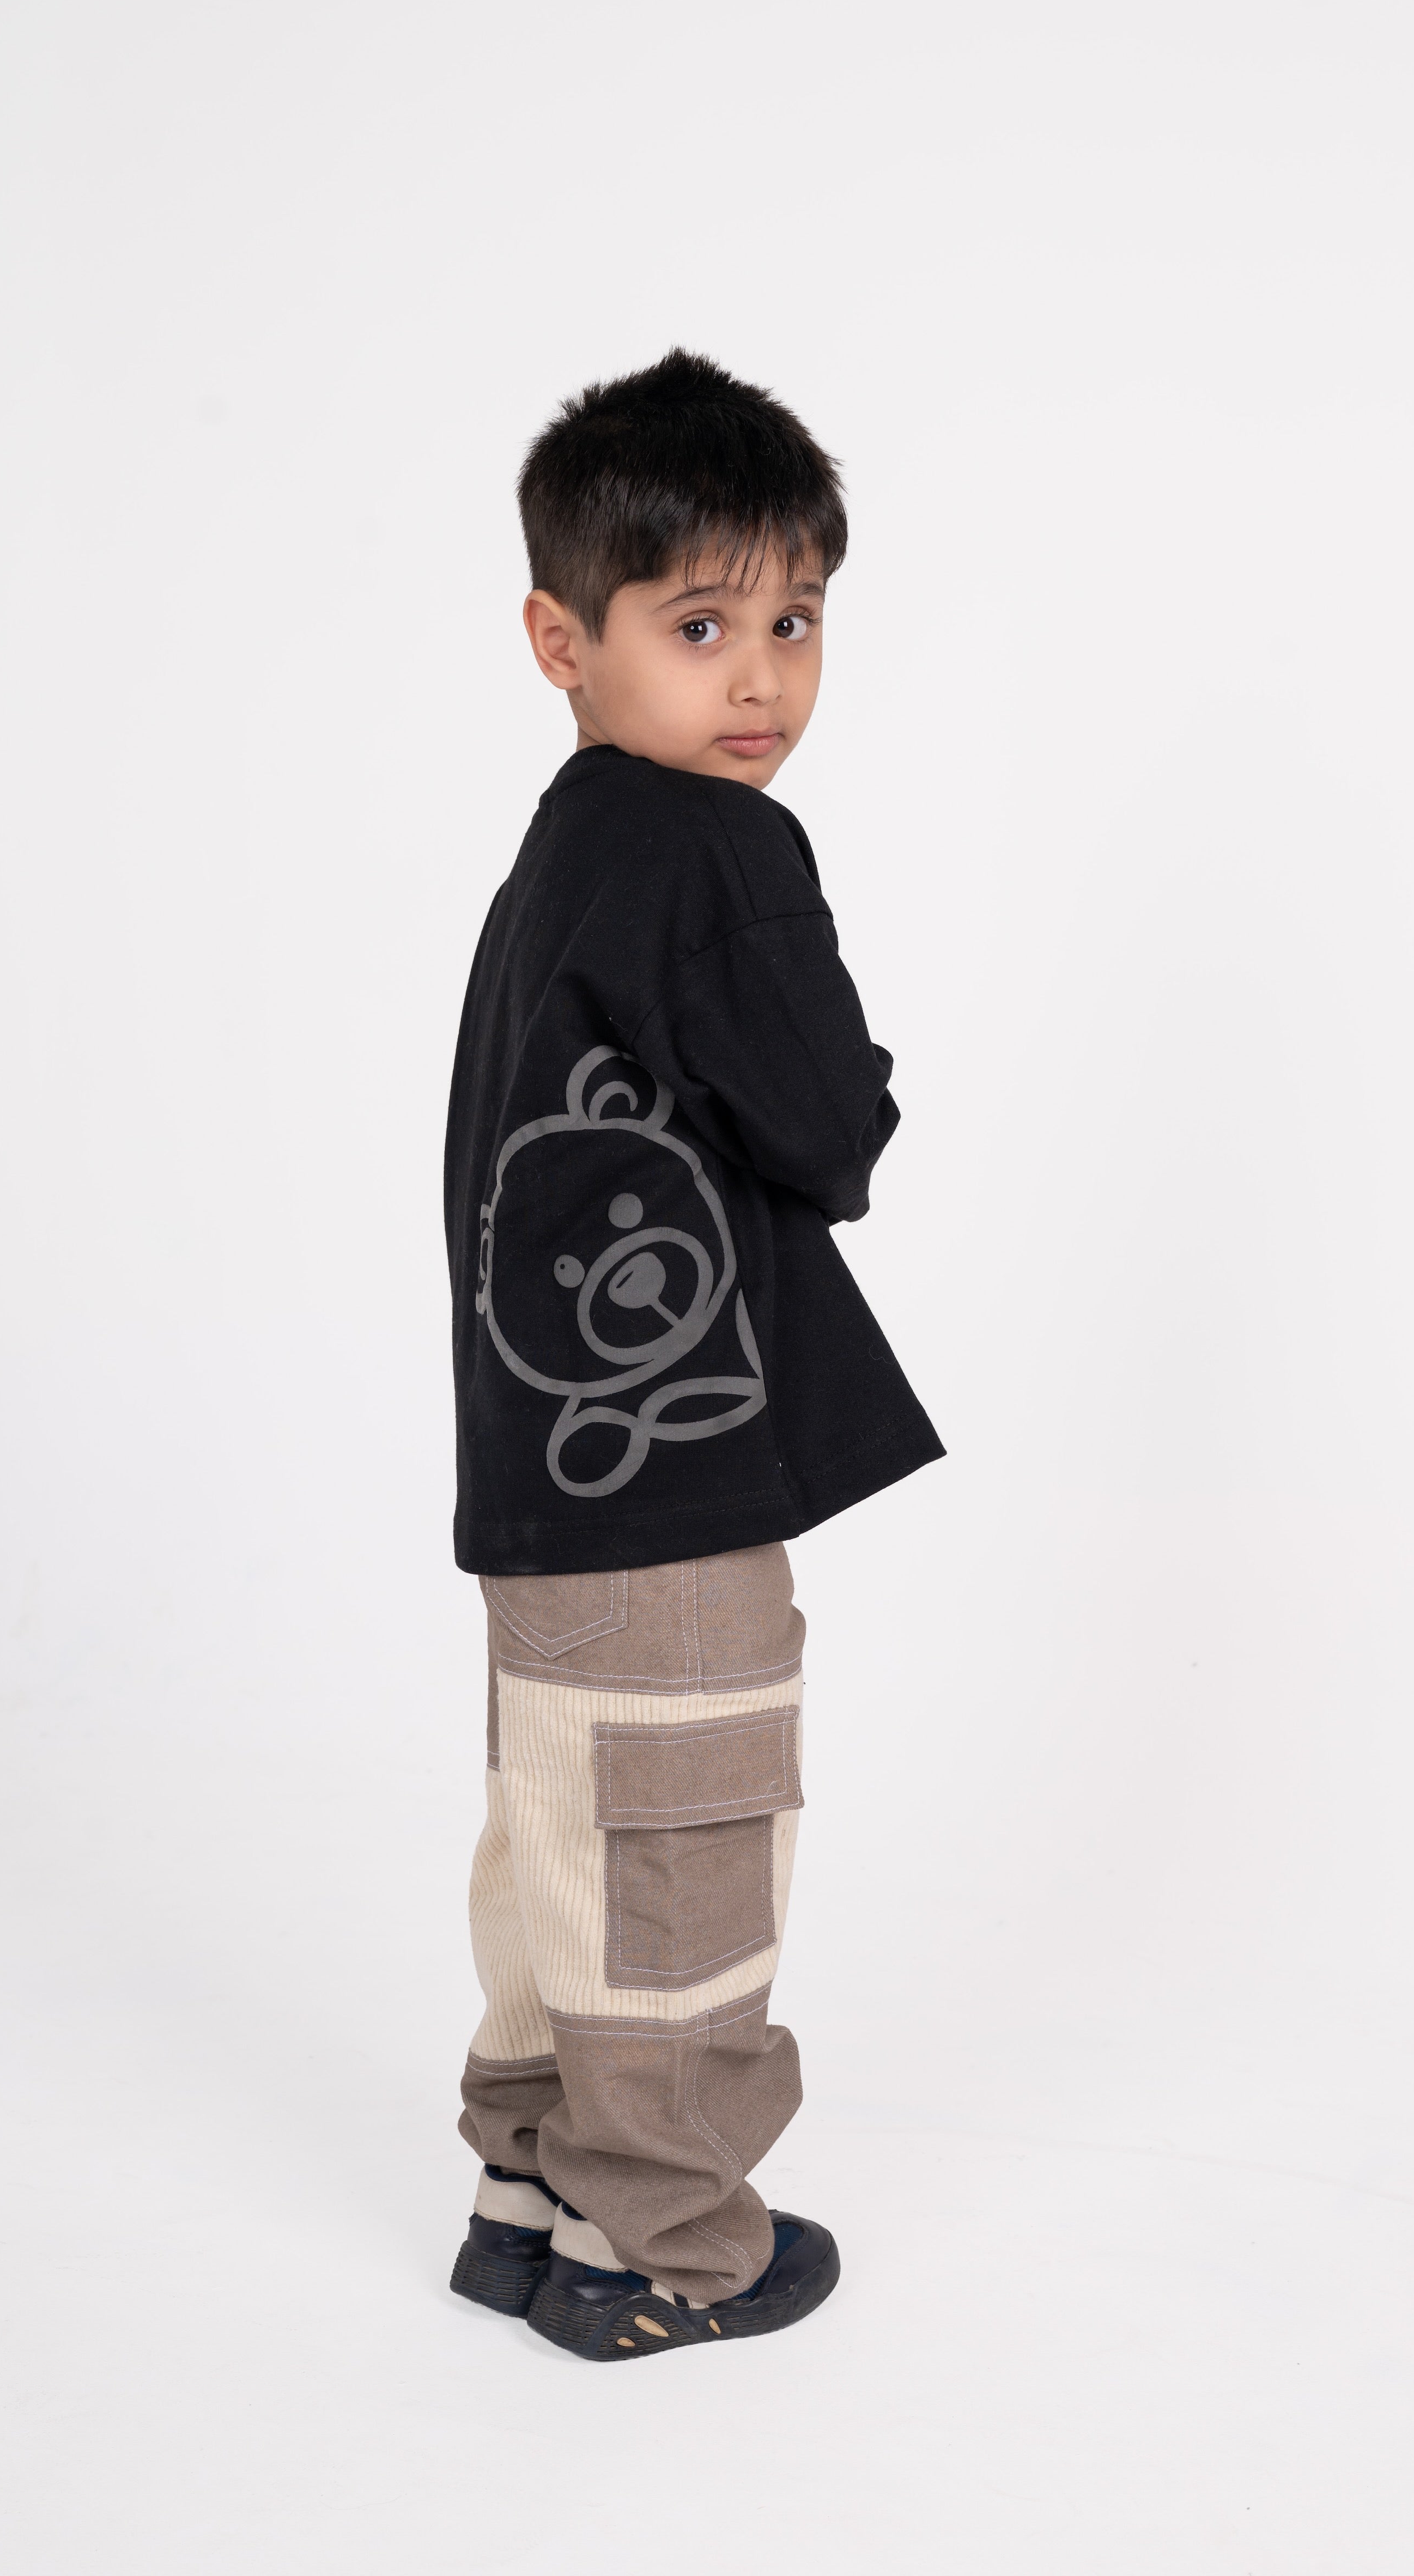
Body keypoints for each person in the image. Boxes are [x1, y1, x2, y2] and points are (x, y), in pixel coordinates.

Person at [442, 348, 942, 2361]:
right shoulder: (720, 854)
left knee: (566, 1829)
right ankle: (664, 2251)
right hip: (666, 1466)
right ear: (563, 640)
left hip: (540, 1475)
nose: (760, 681)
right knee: (682, 1848)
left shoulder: (564, 847)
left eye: (796, 621)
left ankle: (528, 2191)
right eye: (700, 624)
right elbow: (827, 1125)